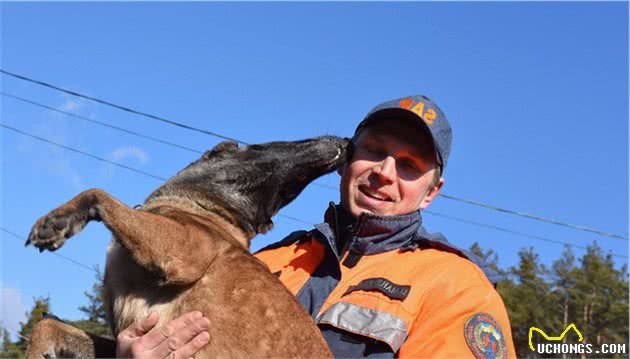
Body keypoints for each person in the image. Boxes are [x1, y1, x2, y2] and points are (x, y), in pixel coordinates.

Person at [117, 95, 516, 358]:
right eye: (374, 151)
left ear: (431, 192)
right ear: (345, 159)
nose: (384, 172)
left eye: (410, 165)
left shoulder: (457, 287)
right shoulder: (267, 259)